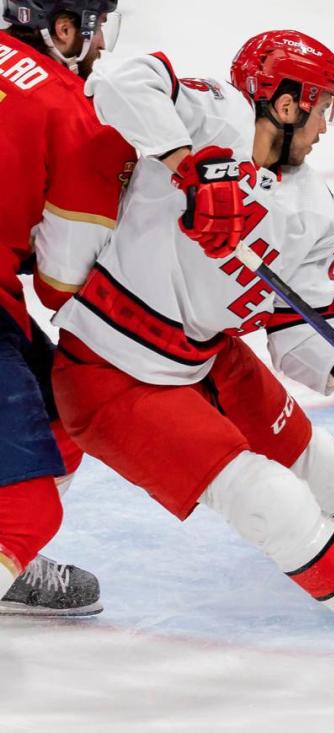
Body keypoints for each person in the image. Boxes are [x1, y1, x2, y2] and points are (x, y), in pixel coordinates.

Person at [50, 31, 334, 711]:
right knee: (272, 499)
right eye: (320, 105)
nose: (326, 123)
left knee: (316, 463)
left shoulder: (315, 208)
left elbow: (296, 333)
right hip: (112, 373)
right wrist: (188, 164)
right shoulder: (214, 114)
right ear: (284, 103)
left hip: (207, 356)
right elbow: (116, 86)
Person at [0, 0, 134, 615]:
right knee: (28, 509)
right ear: (62, 27)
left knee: (66, 404)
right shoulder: (63, 104)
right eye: (96, 23)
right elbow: (59, 285)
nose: (102, 41)